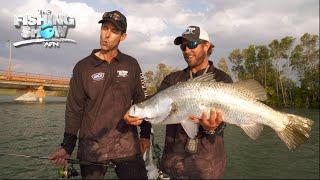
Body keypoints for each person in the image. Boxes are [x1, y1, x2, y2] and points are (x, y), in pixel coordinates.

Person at [49, 10, 151, 179]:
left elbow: (143, 101)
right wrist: (67, 147)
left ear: (123, 37)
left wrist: (145, 135)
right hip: (92, 148)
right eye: (105, 28)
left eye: (114, 31)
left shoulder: (131, 64)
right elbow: (74, 109)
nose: (107, 35)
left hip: (127, 145)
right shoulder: (82, 67)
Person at [158, 25, 233, 179]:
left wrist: (212, 128)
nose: (187, 50)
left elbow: (227, 118)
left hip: (207, 168)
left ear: (207, 46)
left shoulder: (222, 79)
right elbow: (157, 109)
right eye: (183, 46)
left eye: (192, 44)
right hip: (173, 165)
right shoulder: (172, 80)